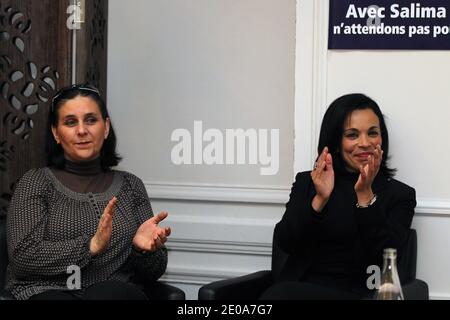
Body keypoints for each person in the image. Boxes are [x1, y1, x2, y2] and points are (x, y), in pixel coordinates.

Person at [6, 84, 171, 300]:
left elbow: (152, 272)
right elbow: (22, 256)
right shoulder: (35, 182)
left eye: (91, 120)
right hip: (47, 290)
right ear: (56, 132)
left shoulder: (131, 186)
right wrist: (90, 247)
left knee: (111, 294)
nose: (82, 130)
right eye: (70, 122)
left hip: (113, 293)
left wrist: (143, 251)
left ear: (106, 127)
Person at [260, 93, 416, 299]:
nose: (365, 143)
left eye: (373, 133)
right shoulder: (309, 182)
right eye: (352, 135)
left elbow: (386, 254)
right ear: (335, 141)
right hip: (298, 289)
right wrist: (319, 200)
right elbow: (286, 242)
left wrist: (365, 195)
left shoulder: (400, 194)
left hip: (360, 294)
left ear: (382, 139)